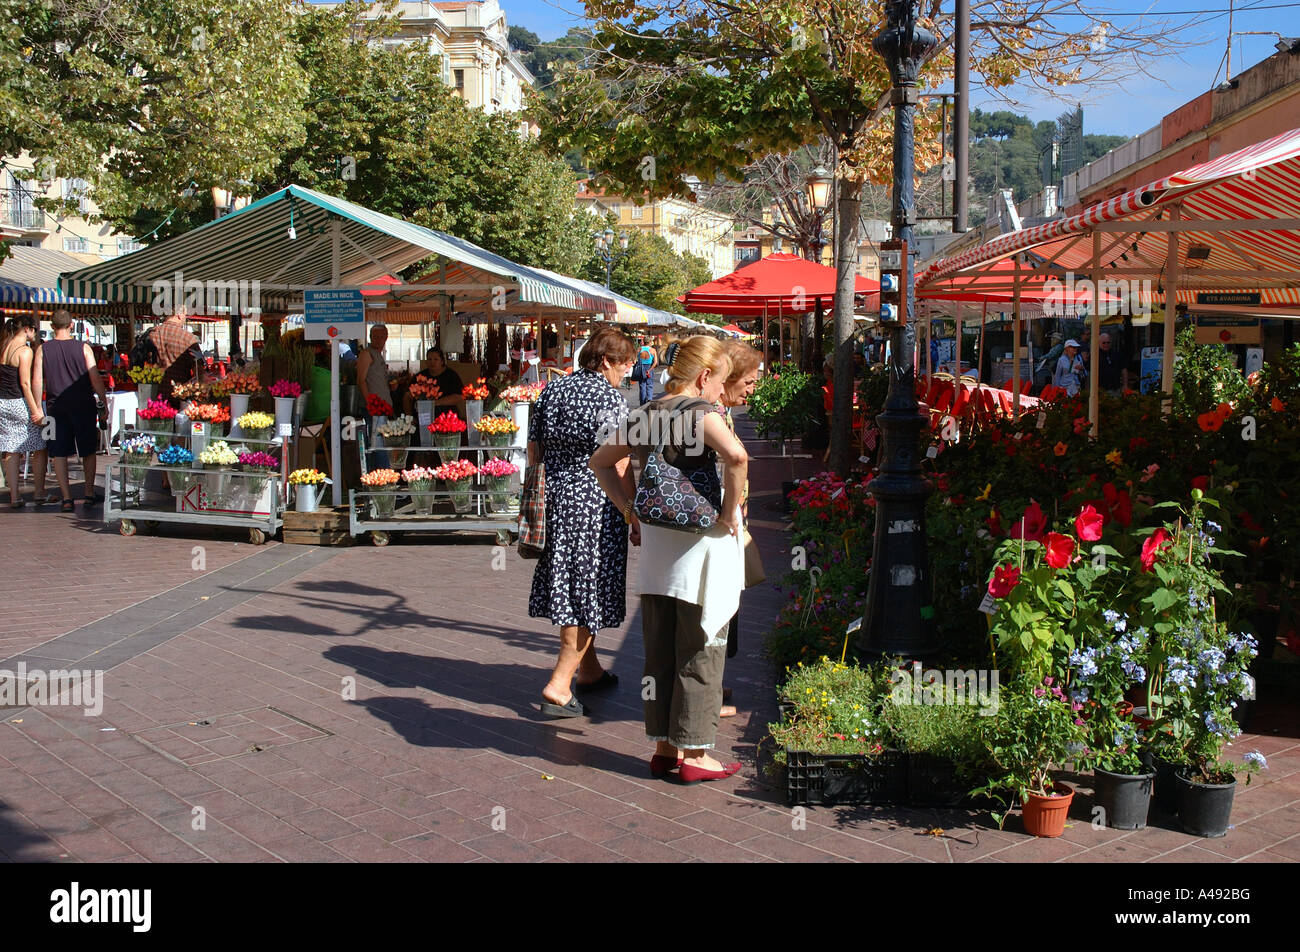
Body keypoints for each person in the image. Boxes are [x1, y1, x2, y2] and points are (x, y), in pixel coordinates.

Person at [590, 337, 748, 784]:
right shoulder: (702, 413)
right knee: (701, 647)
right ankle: (695, 753)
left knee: (658, 650)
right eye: (719, 381)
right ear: (703, 377)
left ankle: (663, 747)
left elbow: (601, 461)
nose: (720, 391)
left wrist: (628, 511)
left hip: (657, 548)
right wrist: (728, 511)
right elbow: (737, 456)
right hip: (700, 546)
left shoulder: (644, 414)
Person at [529, 325, 640, 718]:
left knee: (572, 584)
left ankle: (588, 672)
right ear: (607, 361)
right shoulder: (611, 400)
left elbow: (533, 449)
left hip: (557, 502)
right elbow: (620, 461)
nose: (627, 372)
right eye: (625, 364)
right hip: (598, 505)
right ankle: (559, 685)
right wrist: (631, 512)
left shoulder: (552, 390)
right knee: (588, 590)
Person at [716, 340, 762, 718]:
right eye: (748, 382)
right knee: (718, 606)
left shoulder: (721, 413)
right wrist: (732, 511)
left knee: (726, 607)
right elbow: (732, 460)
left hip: (726, 521)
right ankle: (706, 689)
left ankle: (712, 681)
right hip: (719, 525)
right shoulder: (712, 414)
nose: (752, 390)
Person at [32, 310, 108, 511]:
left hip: (55, 407)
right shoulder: (83, 348)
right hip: (83, 404)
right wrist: (103, 403)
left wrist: (38, 408)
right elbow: (95, 378)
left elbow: (37, 380)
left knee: (59, 452)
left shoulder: (43, 349)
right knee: (88, 450)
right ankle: (89, 493)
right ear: (71, 325)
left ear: (52, 326)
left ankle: (66, 498)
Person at [1, 316, 48, 509]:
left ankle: (15, 496)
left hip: (3, 402)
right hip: (19, 403)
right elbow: (25, 383)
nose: (35, 335)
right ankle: (39, 492)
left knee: (11, 448)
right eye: (34, 331)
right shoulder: (25, 351)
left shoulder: (3, 346)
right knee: (40, 446)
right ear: (28, 329)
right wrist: (36, 410)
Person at [150, 309, 201, 401]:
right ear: (179, 315)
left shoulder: (152, 334)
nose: (185, 318)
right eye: (185, 315)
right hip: (179, 395)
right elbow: (199, 369)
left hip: (154, 394)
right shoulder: (189, 339)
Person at [635, 340, 657, 406]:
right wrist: (649, 370)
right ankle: (649, 400)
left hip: (641, 369)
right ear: (650, 342)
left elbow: (634, 359)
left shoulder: (639, 349)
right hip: (649, 368)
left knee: (642, 386)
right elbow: (655, 362)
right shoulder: (652, 350)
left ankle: (642, 403)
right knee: (649, 385)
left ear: (644, 342)